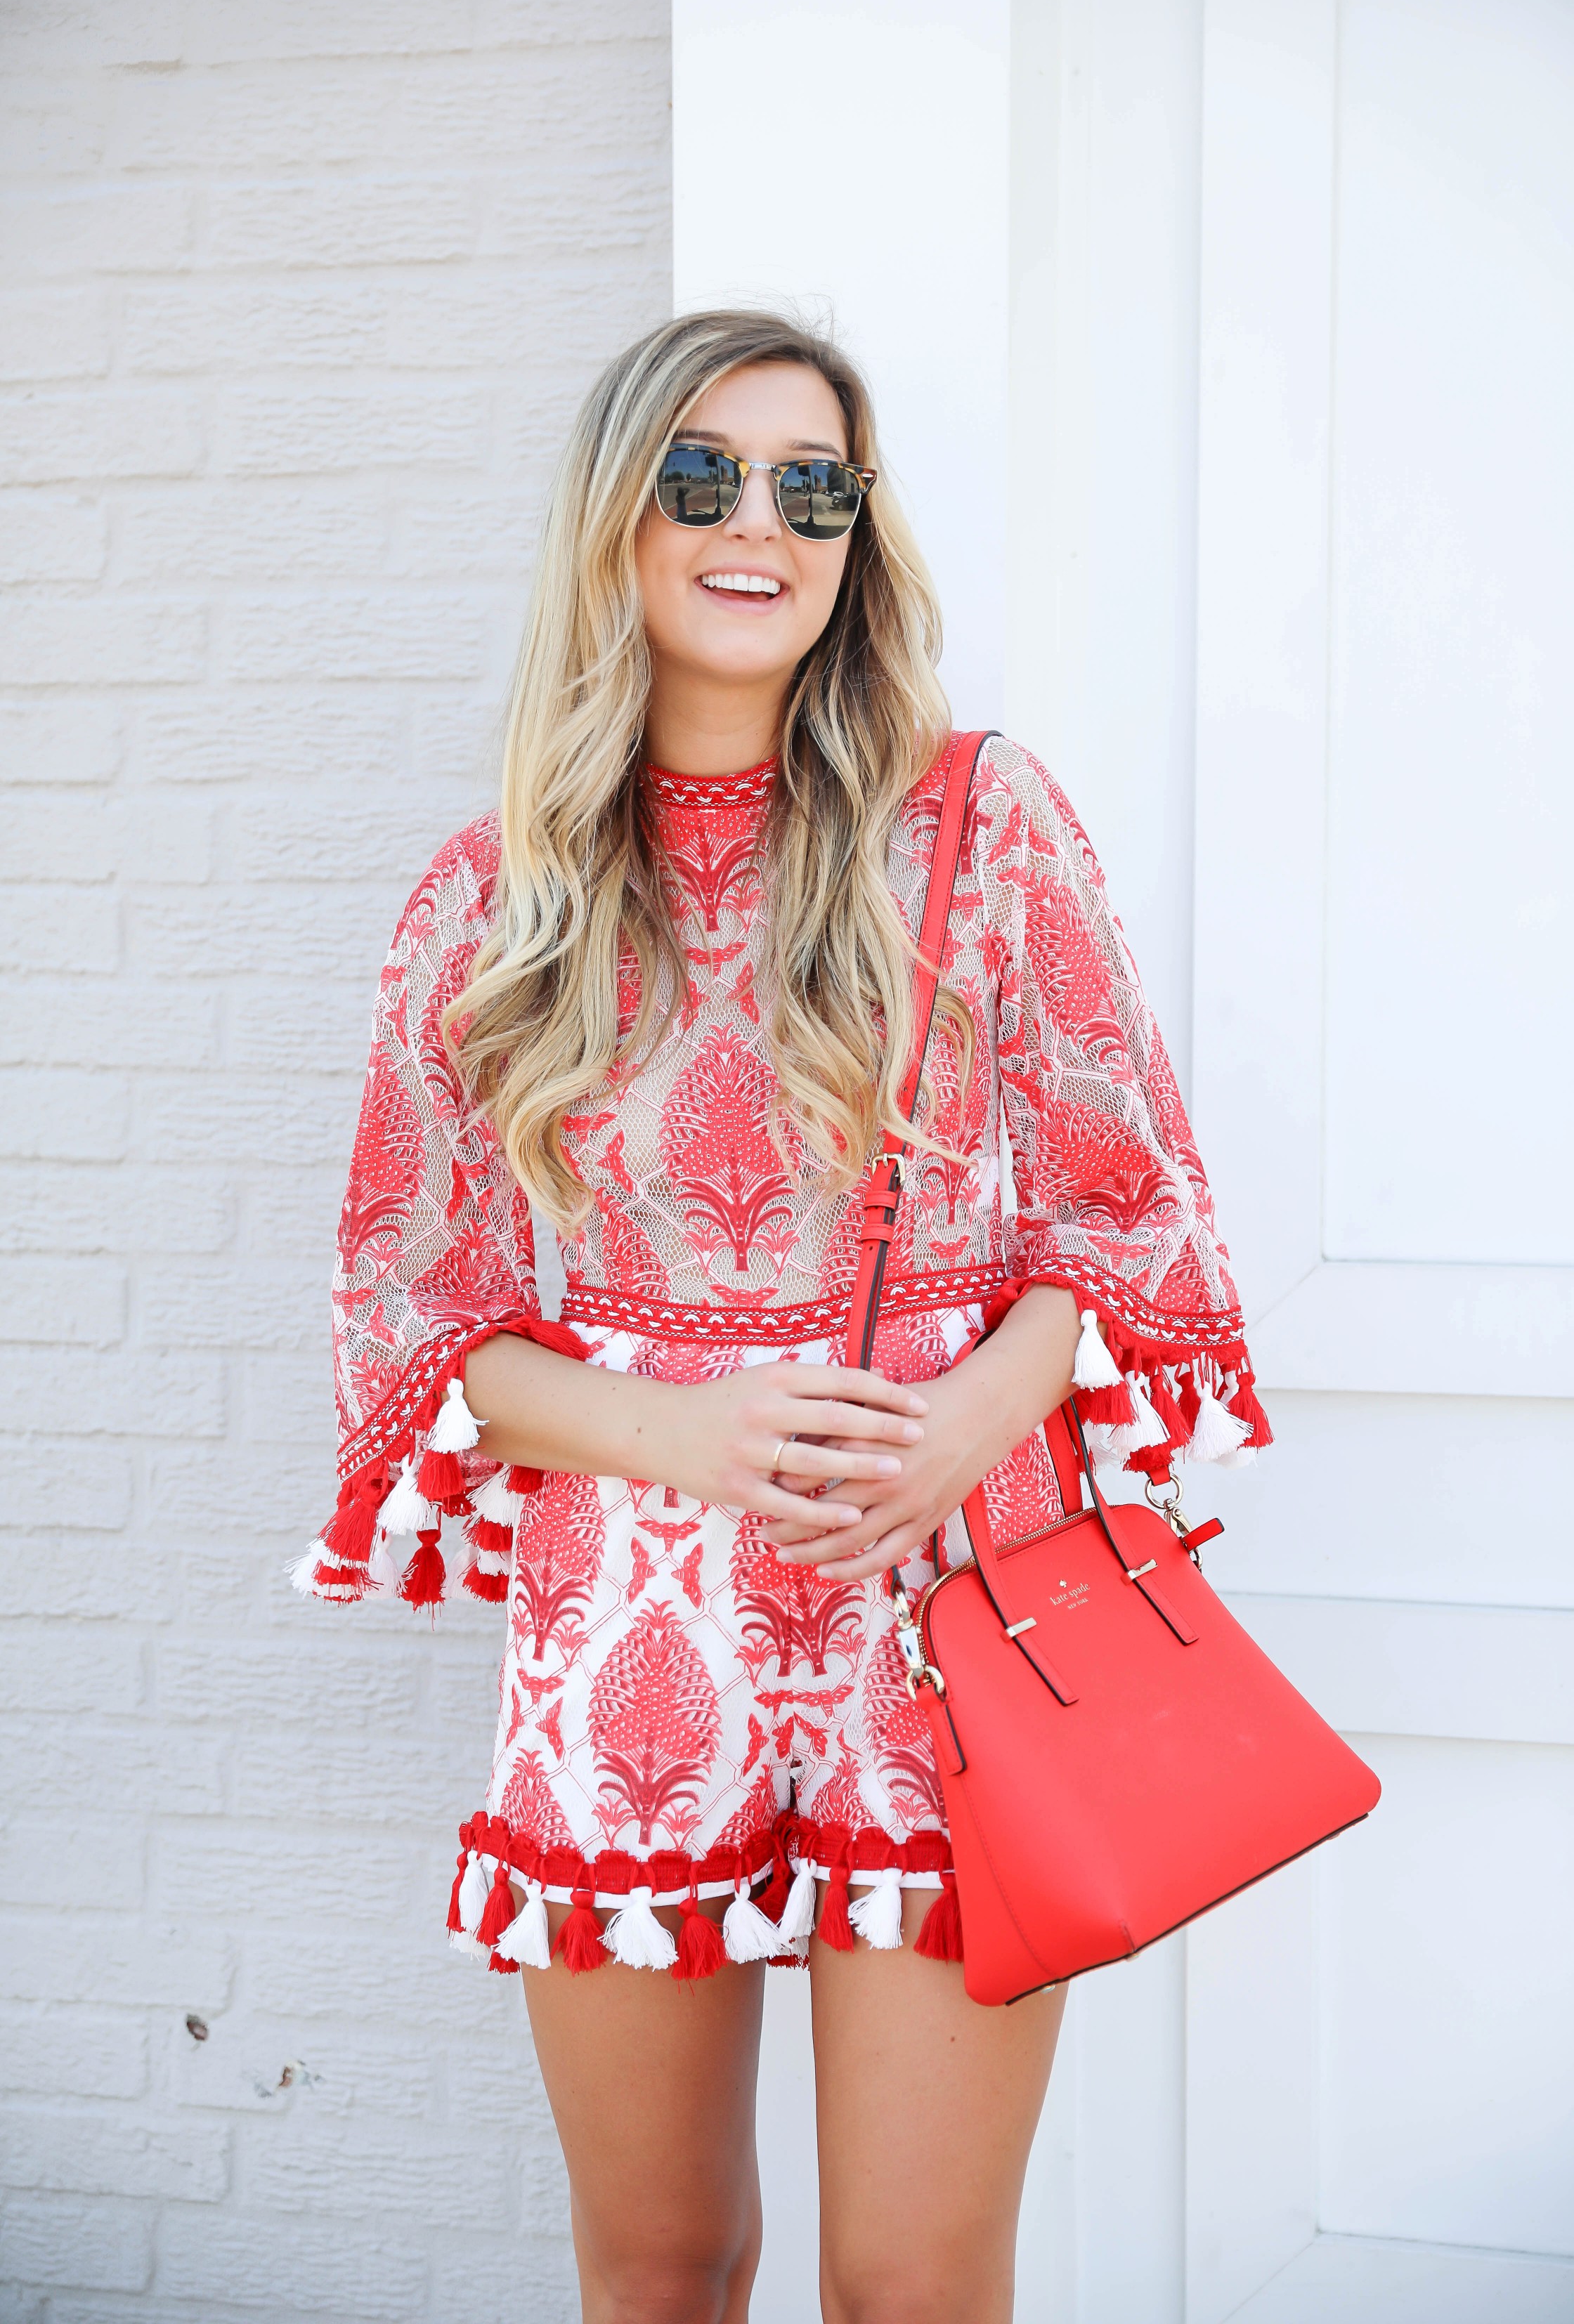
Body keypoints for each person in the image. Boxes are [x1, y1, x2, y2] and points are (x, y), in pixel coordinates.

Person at [302, 310, 1268, 2324]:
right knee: (663, 2269)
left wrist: (972, 1422)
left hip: (945, 1608)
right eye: (705, 475)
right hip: (633, 1627)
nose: (762, 522)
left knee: (912, 2284)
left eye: (812, 483)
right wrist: (677, 1436)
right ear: (615, 522)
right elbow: (416, 1323)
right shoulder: (489, 909)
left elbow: (1138, 1216)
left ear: (856, 533)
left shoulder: (984, 833)